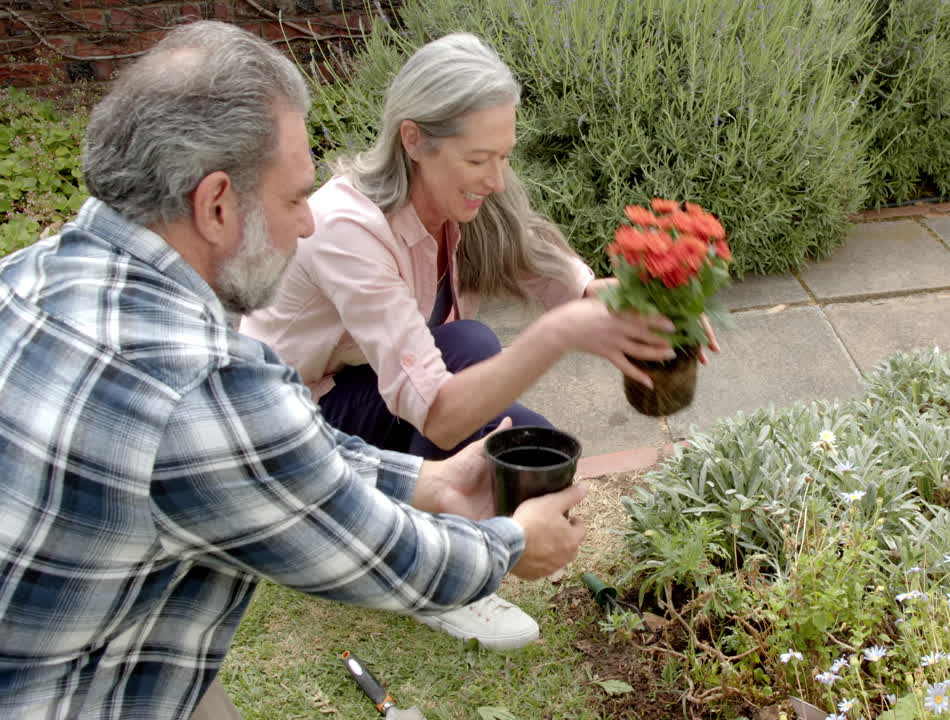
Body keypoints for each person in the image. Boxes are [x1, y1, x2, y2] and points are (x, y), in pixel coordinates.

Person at [0, 21, 586, 720]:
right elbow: (374, 554)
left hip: (93, 642)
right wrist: (509, 543)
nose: (308, 226)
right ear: (217, 204)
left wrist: (429, 480)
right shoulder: (199, 386)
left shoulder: (25, 274)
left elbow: (280, 459)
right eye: (292, 199)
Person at [240, 33, 706, 648]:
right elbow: (437, 413)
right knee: (481, 387)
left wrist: (649, 308)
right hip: (288, 417)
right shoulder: (347, 228)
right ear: (414, 139)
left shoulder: (460, 192)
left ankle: (453, 530)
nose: (495, 177)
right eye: (479, 159)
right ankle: (445, 582)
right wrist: (559, 334)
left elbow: (545, 266)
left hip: (359, 382)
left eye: (504, 156)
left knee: (513, 428)